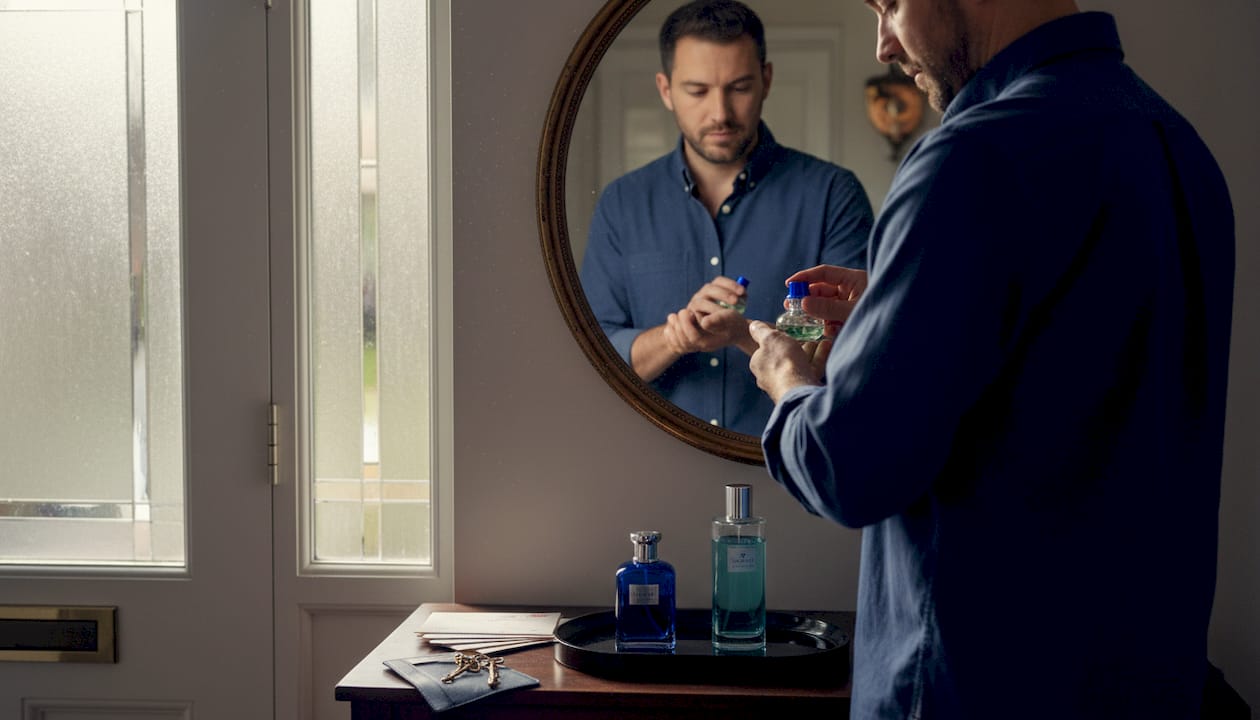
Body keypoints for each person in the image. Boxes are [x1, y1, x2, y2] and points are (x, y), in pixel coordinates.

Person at [747, 1, 1234, 718]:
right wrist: (899, 304)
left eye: (890, 4)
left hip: (976, 689)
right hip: (1148, 685)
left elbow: (848, 466)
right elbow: (1073, 372)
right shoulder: (1178, 147)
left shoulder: (973, 157)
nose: (883, 43)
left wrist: (790, 379)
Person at [579, 0, 874, 436]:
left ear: (766, 80)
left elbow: (860, 349)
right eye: (697, 91)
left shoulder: (833, 194)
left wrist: (742, 333)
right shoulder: (622, 203)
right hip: (651, 468)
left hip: (789, 468)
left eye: (738, 87)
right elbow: (594, 356)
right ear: (665, 90)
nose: (720, 113)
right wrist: (675, 337)